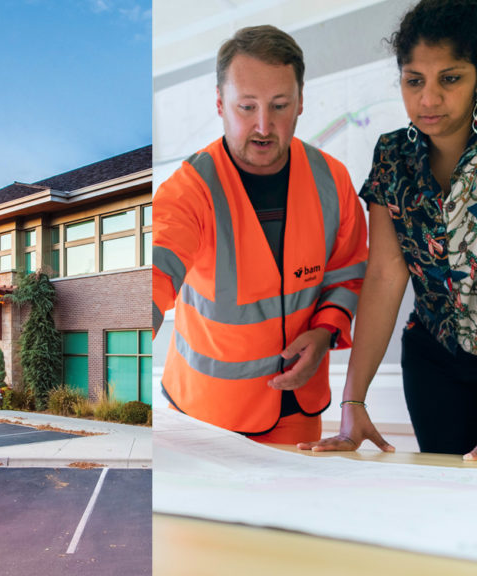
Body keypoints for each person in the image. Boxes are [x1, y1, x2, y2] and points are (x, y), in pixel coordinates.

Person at [152, 25, 369, 444]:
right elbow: (155, 272)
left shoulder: (333, 180)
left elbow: (347, 273)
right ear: (220, 104)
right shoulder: (189, 190)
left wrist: (325, 331)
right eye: (246, 107)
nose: (264, 126)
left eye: (280, 105)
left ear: (301, 102)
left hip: (298, 409)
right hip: (206, 417)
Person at [300, 0, 477, 459]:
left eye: (451, 78)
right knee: (448, 505)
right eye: (414, 80)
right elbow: (383, 275)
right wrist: (353, 401)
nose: (429, 98)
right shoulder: (393, 156)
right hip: (433, 359)